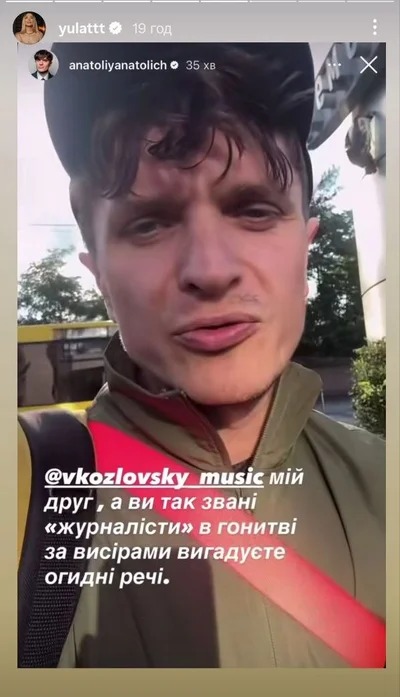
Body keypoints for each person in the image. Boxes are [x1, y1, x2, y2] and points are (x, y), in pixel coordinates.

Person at [18, 42, 385, 668]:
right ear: (98, 272)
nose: (210, 271)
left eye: (254, 210)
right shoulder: (25, 502)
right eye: (149, 223)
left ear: (306, 248)